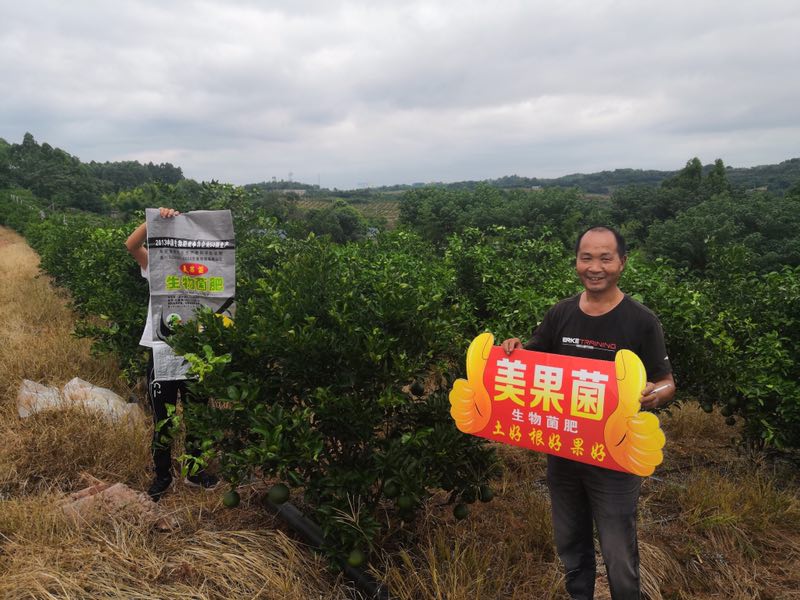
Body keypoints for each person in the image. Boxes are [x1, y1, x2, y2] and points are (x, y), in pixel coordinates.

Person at [501, 226, 675, 600]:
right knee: (570, 542)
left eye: (605, 258)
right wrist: (513, 349)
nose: (595, 267)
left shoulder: (642, 320)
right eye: (586, 257)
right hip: (564, 451)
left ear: (622, 263)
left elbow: (666, 382)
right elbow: (533, 361)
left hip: (615, 457)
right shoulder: (560, 314)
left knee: (617, 549)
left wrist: (653, 395)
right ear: (577, 261)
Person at [126, 207, 219, 501]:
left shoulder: (208, 268)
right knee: (163, 420)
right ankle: (163, 475)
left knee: (197, 417)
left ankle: (194, 472)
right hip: (163, 353)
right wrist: (154, 221)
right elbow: (131, 245)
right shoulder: (157, 264)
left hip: (196, 356)